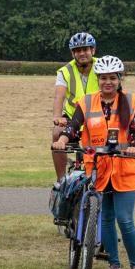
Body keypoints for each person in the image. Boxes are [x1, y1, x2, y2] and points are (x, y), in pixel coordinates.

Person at [52, 55, 135, 269]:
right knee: (105, 219)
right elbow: (74, 127)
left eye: (112, 78)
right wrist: (63, 140)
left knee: (124, 220)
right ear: (98, 79)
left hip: (124, 168)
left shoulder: (131, 102)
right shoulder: (85, 102)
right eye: (103, 78)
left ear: (119, 79)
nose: (108, 83)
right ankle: (114, 266)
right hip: (98, 169)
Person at [52, 32, 99, 182]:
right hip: (72, 117)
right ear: (73, 53)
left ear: (93, 50)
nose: (82, 53)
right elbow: (59, 96)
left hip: (96, 118)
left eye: (85, 49)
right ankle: (61, 180)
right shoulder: (65, 71)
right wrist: (58, 117)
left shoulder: (101, 66)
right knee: (56, 133)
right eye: (78, 50)